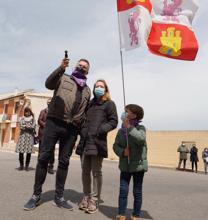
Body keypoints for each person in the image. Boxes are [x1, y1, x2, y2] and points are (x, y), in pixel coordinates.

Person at [24, 56, 91, 211]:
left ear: (88, 71)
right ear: (75, 66)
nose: (82, 68)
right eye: (80, 65)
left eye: (85, 67)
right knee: (43, 157)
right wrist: (61, 68)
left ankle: (59, 197)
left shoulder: (87, 90)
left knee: (64, 162)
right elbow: (48, 84)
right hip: (54, 122)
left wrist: (81, 131)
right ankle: (36, 195)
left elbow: (85, 112)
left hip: (72, 129)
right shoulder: (63, 78)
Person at [76, 79, 118, 214]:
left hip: (98, 142)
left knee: (96, 172)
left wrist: (100, 130)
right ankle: (86, 196)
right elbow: (83, 120)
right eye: (97, 86)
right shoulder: (90, 104)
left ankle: (94, 199)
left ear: (106, 89)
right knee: (84, 171)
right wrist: (82, 131)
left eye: (101, 86)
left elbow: (114, 121)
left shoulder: (109, 104)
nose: (98, 88)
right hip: (85, 142)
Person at [113, 104, 147, 220]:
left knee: (137, 191)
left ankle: (136, 215)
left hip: (138, 165)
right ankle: (121, 214)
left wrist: (130, 128)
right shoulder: (121, 131)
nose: (125, 114)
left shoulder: (140, 128)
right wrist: (122, 152)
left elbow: (141, 139)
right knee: (123, 190)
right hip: (125, 165)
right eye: (125, 111)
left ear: (134, 115)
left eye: (127, 111)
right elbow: (115, 146)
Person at [15, 107, 36, 171]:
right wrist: (26, 126)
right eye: (26, 111)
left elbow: (34, 126)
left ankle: (27, 166)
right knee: (21, 152)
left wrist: (28, 127)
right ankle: (21, 165)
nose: (27, 113)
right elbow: (21, 126)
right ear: (24, 112)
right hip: (22, 137)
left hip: (29, 137)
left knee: (28, 152)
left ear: (30, 112)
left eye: (28, 111)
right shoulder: (22, 118)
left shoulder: (33, 119)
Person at [37, 98, 55, 174]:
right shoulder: (43, 111)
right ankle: (40, 165)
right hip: (43, 134)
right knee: (41, 150)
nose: (49, 103)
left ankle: (50, 166)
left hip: (52, 135)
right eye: (48, 102)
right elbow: (39, 120)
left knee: (51, 151)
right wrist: (46, 125)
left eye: (50, 102)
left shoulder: (55, 112)